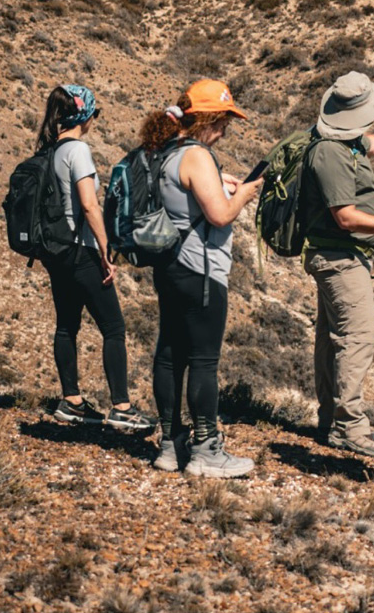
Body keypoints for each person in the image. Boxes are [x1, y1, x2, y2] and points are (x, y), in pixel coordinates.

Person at [139, 79, 263, 477]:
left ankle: (171, 445)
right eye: (224, 119)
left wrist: (223, 185)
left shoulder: (166, 150)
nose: (226, 129)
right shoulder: (197, 155)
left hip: (170, 267)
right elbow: (220, 215)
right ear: (208, 119)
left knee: (170, 355)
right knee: (204, 361)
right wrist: (246, 192)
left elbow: (187, 197)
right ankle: (207, 451)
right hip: (202, 269)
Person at [302, 71, 374, 459]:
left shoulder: (343, 140)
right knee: (359, 337)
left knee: (331, 338)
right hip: (339, 257)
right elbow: (346, 217)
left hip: (340, 256)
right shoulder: (330, 154)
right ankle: (350, 425)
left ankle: (329, 420)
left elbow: (370, 144)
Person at [35, 85, 153, 429]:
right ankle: (122, 407)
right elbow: (88, 204)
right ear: (83, 115)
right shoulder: (78, 150)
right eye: (94, 113)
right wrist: (105, 249)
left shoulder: (50, 151)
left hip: (56, 252)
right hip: (81, 251)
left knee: (67, 326)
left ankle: (71, 401)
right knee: (114, 327)